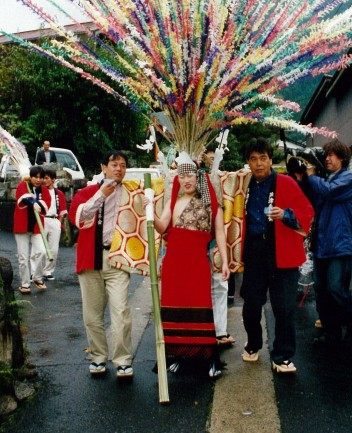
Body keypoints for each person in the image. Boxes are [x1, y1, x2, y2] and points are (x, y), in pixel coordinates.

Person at [148, 151, 230, 378]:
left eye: (190, 176)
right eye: (182, 177)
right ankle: (180, 356)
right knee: (175, 309)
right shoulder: (172, 202)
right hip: (174, 263)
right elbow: (162, 226)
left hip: (197, 263)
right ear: (177, 179)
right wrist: (149, 209)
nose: (186, 180)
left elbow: (220, 233)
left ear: (198, 177)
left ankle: (206, 359)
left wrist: (224, 260)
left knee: (200, 309)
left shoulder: (211, 204)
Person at [240, 138, 314, 373]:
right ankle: (253, 343)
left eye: (263, 158)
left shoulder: (286, 182)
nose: (259, 163)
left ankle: (282, 356)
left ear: (271, 160)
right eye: (253, 159)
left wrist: (286, 215)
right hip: (253, 251)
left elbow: (307, 211)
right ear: (248, 163)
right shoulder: (242, 184)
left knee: (284, 307)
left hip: (281, 250)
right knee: (251, 305)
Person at [68, 150, 134, 379]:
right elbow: (77, 218)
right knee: (92, 315)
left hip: (117, 259)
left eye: (123, 165)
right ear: (103, 167)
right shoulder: (86, 192)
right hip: (90, 259)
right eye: (114, 164)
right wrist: (100, 196)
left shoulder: (130, 195)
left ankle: (123, 360)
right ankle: (98, 356)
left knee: (121, 311)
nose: (118, 169)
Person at [296, 139, 352, 347]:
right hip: (321, 244)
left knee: (335, 289)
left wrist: (312, 175)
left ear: (342, 158)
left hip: (339, 245)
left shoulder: (348, 178)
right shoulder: (323, 179)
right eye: (326, 155)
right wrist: (302, 177)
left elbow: (329, 191)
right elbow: (311, 198)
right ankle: (331, 333)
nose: (327, 158)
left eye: (332, 155)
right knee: (322, 292)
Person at [202, 147, 235, 346]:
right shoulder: (188, 177)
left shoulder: (223, 177)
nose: (212, 159)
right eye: (210, 156)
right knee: (198, 288)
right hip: (194, 241)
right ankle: (202, 329)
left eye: (216, 156)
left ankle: (220, 330)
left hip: (217, 238)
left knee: (220, 285)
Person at [13, 166, 50, 294]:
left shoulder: (44, 190)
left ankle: (37, 277)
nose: (38, 180)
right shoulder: (23, 185)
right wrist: (32, 201)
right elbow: (22, 198)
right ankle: (24, 284)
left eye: (41, 177)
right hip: (22, 226)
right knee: (23, 257)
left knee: (42, 251)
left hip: (37, 227)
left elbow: (47, 204)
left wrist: (38, 204)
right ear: (31, 176)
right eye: (35, 177)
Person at [42, 168, 67, 281]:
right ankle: (36, 271)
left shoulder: (59, 193)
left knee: (54, 248)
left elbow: (62, 210)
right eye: (43, 178)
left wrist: (59, 222)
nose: (44, 180)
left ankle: (48, 271)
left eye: (47, 178)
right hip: (42, 219)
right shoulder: (39, 191)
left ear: (53, 180)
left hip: (54, 219)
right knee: (40, 248)